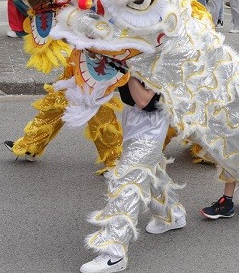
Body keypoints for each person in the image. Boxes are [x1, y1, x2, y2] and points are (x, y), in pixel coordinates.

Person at [79, 74, 185, 273]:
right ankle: (172, 214)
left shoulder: (157, 52)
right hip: (135, 118)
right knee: (148, 169)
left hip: (152, 126)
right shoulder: (134, 50)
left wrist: (124, 66)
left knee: (126, 182)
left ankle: (114, 253)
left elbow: (144, 100)